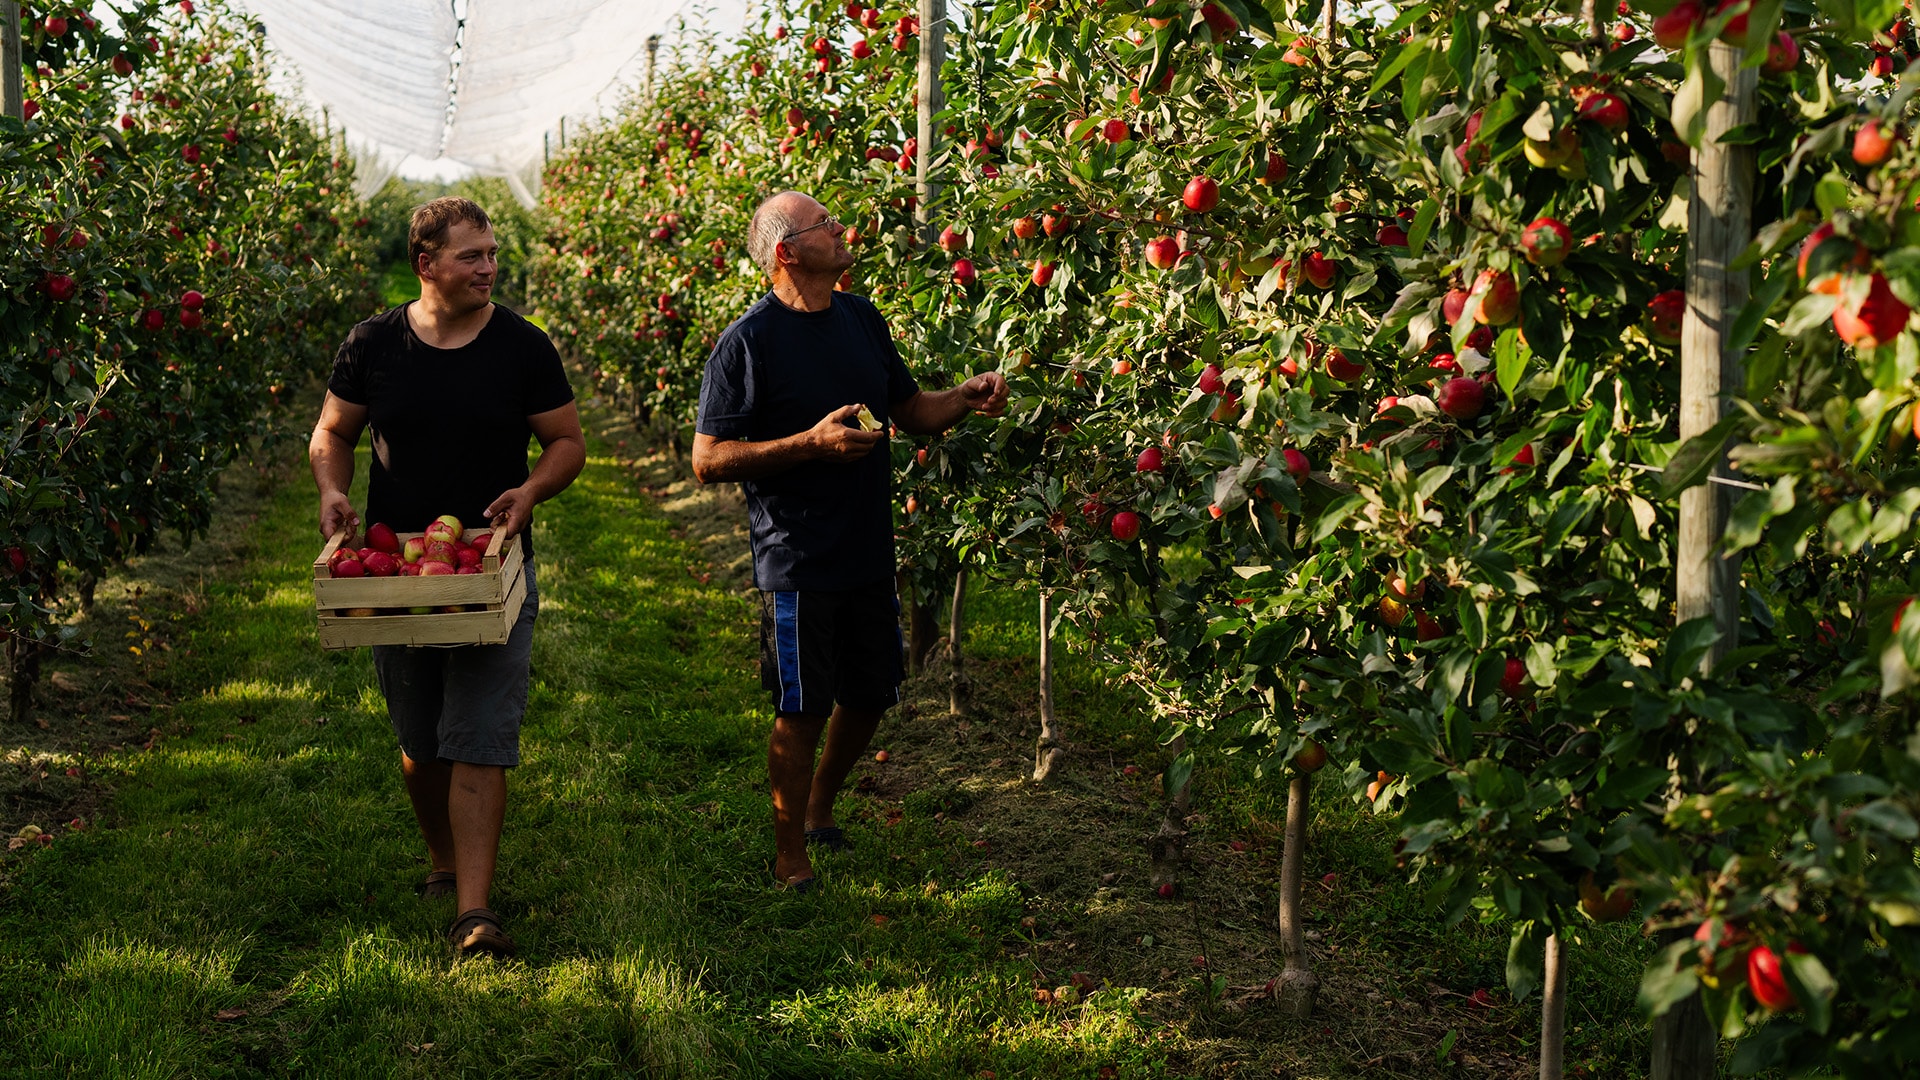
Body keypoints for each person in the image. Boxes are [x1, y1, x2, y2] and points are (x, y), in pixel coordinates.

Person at [692, 190, 1009, 892]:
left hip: (868, 543)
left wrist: (965, 394)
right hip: (797, 553)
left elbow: (912, 411)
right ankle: (788, 854)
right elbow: (708, 458)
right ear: (787, 251)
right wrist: (809, 443)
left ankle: (818, 805)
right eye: (824, 225)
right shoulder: (748, 343)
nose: (841, 230)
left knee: (870, 692)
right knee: (801, 705)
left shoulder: (863, 319)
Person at [308, 197, 583, 957]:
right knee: (420, 740)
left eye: (492, 253)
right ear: (426, 264)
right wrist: (334, 489)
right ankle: (440, 858)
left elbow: (565, 442)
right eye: (472, 256)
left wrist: (529, 493)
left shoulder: (523, 348)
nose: (489, 268)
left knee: (480, 734)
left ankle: (474, 910)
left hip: (490, 563)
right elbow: (333, 430)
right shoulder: (374, 344)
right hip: (396, 572)